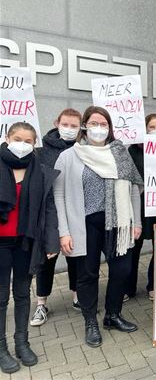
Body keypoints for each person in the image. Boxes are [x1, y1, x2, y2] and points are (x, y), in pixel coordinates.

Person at [53, 106, 143, 348]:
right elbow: (59, 195)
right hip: (85, 224)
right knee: (87, 274)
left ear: (110, 128)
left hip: (118, 224)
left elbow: (134, 188)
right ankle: (90, 320)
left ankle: (113, 315)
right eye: (94, 123)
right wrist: (64, 231)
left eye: (103, 124)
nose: (99, 128)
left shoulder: (121, 153)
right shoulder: (70, 156)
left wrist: (137, 222)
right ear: (85, 125)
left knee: (122, 269)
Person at [0, 122, 59, 373]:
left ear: (34, 143)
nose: (22, 145)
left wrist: (51, 240)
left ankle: (22, 342)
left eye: (27, 141)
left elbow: (48, 208)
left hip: (26, 241)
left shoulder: (40, 171)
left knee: (23, 293)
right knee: (1, 297)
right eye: (17, 138)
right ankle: (1, 349)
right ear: (7, 137)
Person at [30, 108, 82, 327]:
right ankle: (41, 303)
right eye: (66, 124)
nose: (69, 129)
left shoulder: (82, 149)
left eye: (74, 126)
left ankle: (77, 296)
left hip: (74, 211)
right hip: (48, 214)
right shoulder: (41, 150)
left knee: (76, 257)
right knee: (46, 260)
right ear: (56, 123)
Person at [125, 113, 156, 302]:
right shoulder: (132, 151)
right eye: (152, 127)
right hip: (140, 205)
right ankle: (129, 287)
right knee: (134, 247)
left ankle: (153, 284)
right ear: (145, 128)